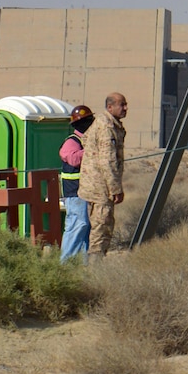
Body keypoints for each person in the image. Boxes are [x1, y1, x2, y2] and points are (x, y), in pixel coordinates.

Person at [78, 93, 128, 259]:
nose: (125, 108)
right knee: (101, 227)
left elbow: (86, 141)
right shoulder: (106, 127)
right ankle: (95, 269)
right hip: (100, 188)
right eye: (122, 105)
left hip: (94, 185)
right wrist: (115, 188)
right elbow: (107, 161)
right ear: (110, 107)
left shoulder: (102, 123)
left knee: (100, 226)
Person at [59, 105, 95, 261]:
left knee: (85, 227)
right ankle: (66, 264)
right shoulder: (73, 142)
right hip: (75, 193)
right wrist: (93, 151)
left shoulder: (87, 141)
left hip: (85, 192)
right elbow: (72, 158)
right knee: (77, 225)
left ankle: (82, 263)